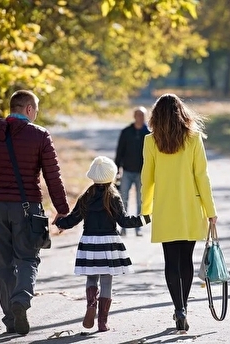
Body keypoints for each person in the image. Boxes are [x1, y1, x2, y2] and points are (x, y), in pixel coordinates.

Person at [0, 90, 69, 335]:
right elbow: (53, 176)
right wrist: (62, 210)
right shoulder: (40, 135)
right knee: (28, 258)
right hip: (26, 207)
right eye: (36, 109)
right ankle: (21, 300)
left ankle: (10, 318)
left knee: (4, 264)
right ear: (29, 109)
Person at [141, 93, 217, 332]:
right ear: (181, 113)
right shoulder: (193, 139)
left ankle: (178, 309)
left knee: (170, 261)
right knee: (186, 260)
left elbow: (147, 179)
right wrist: (211, 210)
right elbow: (201, 176)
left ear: (156, 116)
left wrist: (146, 209)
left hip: (165, 209)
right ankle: (184, 307)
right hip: (191, 208)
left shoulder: (150, 141)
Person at [55, 156, 151, 332]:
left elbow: (74, 218)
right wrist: (145, 219)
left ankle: (91, 305)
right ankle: (102, 322)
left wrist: (60, 224)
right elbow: (124, 221)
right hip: (109, 243)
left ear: (92, 176)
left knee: (92, 277)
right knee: (107, 281)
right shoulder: (114, 197)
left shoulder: (86, 196)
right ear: (112, 176)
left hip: (89, 242)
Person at [115, 106, 151, 237]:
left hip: (143, 172)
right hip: (127, 171)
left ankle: (138, 227)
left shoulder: (149, 133)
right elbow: (119, 151)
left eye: (143, 115)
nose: (140, 118)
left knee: (141, 201)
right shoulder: (126, 132)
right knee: (123, 199)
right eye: (138, 115)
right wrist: (117, 169)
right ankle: (123, 227)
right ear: (134, 116)